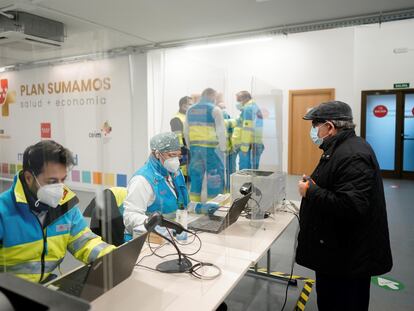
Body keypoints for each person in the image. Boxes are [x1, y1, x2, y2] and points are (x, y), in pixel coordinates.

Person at [296, 101, 393, 311]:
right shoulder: (341, 148)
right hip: (336, 254)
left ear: (329, 127)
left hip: (348, 260)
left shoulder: (353, 155)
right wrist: (315, 184)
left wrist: (311, 191)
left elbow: (351, 206)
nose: (313, 131)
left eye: (315, 125)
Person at [0, 140, 116, 283]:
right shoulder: (3, 211)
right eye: (52, 181)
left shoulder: (65, 206)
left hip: (49, 287)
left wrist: (115, 257)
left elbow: (85, 243)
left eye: (63, 180)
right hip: (10, 294)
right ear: (29, 178)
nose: (60, 189)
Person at [123, 132, 219, 237]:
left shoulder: (175, 173)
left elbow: (183, 206)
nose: (176, 160)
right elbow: (130, 216)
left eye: (178, 155)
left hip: (174, 233)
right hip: (150, 239)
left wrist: (199, 207)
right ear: (157, 154)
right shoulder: (142, 180)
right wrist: (157, 227)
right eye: (171, 155)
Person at [184, 88, 227, 202]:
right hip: (211, 150)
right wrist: (223, 148)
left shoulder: (190, 110)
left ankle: (193, 205)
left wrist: (190, 146)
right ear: (212, 96)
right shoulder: (215, 109)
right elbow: (221, 131)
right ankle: (213, 207)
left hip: (195, 149)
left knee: (196, 177)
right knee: (214, 178)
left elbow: (186, 131)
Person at [232, 91, 264, 170]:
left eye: (239, 100)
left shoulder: (248, 108)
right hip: (256, 142)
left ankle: (245, 183)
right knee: (253, 170)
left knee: (244, 171)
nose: (238, 103)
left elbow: (247, 129)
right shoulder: (255, 107)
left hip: (249, 145)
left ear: (245, 99)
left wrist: (244, 148)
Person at [216, 93, 237, 193]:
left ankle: (227, 190)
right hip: (221, 147)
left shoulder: (225, 115)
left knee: (228, 170)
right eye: (222, 107)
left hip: (228, 147)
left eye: (224, 107)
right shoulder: (220, 115)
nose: (224, 109)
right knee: (226, 170)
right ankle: (227, 190)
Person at [170, 96, 193, 182]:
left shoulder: (187, 117)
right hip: (183, 150)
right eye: (190, 104)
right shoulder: (177, 118)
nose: (192, 106)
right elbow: (177, 136)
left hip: (189, 149)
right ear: (183, 106)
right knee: (183, 177)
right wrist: (183, 149)